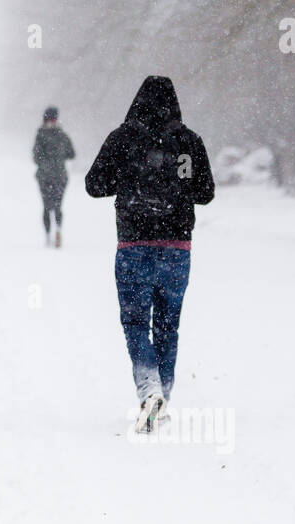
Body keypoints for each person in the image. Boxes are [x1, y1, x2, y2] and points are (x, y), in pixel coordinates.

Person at [85, 76, 215, 432]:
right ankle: (164, 394)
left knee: (135, 322)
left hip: (133, 246)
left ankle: (149, 389)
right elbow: (206, 193)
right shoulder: (189, 141)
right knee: (168, 325)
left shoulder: (123, 138)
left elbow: (93, 185)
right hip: (177, 247)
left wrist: (126, 177)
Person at [32, 106, 75, 247]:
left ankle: (49, 235)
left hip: (45, 177)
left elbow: (35, 157)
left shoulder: (41, 135)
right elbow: (72, 153)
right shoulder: (62, 135)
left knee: (47, 206)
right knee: (57, 205)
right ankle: (57, 230)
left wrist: (45, 162)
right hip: (60, 177)